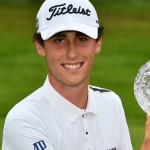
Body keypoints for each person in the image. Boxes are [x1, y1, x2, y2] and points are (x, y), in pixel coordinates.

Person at [2, 0, 134, 149]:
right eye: (59, 40)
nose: (72, 53)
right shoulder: (24, 120)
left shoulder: (112, 104)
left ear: (97, 43)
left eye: (81, 39)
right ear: (40, 46)